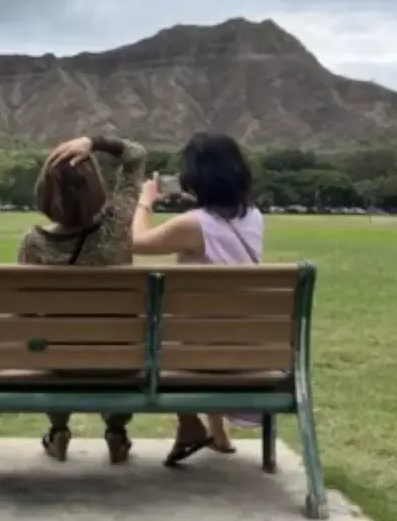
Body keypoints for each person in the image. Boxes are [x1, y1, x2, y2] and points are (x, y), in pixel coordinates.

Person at [129, 132, 264, 466]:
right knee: (206, 326)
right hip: (250, 347)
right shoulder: (254, 217)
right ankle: (216, 433)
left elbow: (136, 241)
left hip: (201, 351)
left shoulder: (193, 225)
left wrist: (146, 200)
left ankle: (191, 425)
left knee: (152, 334)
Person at [17, 134, 146, 465]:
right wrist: (95, 141)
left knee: (50, 347)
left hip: (59, 360)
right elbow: (135, 155)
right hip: (118, 358)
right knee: (113, 356)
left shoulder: (33, 244)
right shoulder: (117, 226)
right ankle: (117, 431)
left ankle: (58, 430)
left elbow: (26, 312)